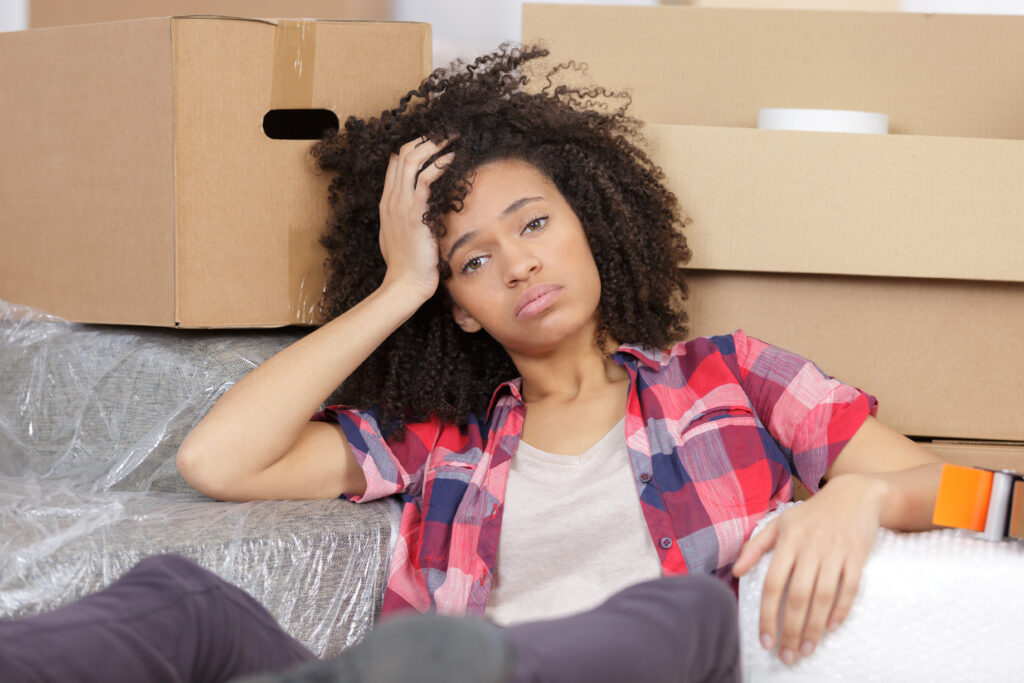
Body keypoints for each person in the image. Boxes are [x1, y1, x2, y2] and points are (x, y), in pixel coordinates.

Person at [0, 44, 943, 683]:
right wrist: (398, 285)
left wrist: (856, 498)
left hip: (615, 663)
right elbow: (219, 462)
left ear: (590, 226)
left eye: (534, 223)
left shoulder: (731, 378)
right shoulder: (437, 443)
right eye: (473, 260)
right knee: (182, 598)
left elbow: (995, 498)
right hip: (420, 670)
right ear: (459, 304)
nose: (519, 262)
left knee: (689, 612)